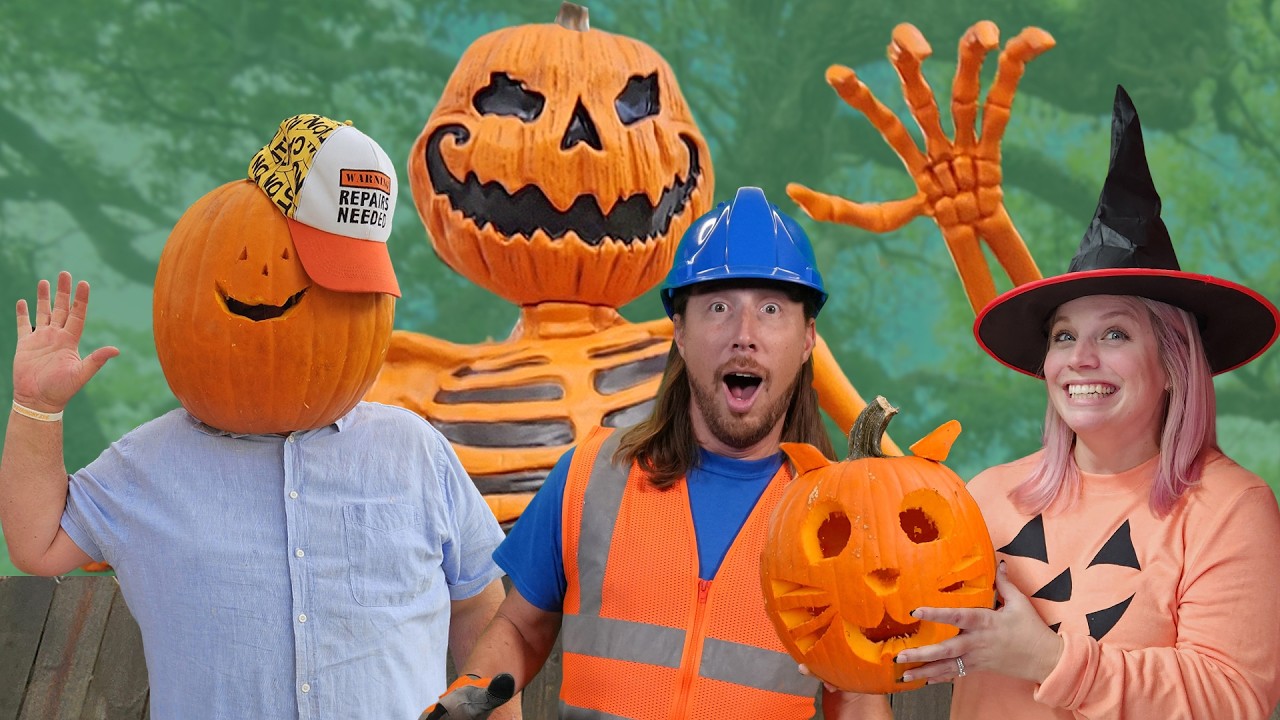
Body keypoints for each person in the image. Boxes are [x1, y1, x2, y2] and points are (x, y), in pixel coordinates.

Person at [0, 114, 515, 720]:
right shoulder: (146, 464)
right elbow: (37, 546)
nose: (343, 315)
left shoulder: (415, 451)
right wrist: (36, 407)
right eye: (322, 285)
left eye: (356, 292)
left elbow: (478, 606)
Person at [420, 186, 892, 719]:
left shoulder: (840, 521)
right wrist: (472, 693)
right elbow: (520, 629)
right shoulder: (591, 476)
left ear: (807, 339)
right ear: (680, 332)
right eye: (718, 307)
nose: (744, 335)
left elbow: (856, 696)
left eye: (771, 309)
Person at [890, 86, 1280, 718]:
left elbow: (1234, 698)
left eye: (1115, 334)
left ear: (1173, 365)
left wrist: (1048, 659)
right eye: (1064, 336)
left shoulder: (1230, 508)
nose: (1080, 359)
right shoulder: (986, 498)